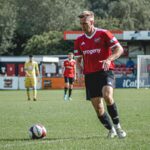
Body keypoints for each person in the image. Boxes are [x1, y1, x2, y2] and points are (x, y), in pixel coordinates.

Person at [74, 10, 126, 138]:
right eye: (81, 23)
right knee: (98, 108)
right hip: (90, 75)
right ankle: (111, 130)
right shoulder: (79, 40)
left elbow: (119, 49)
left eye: (85, 23)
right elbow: (78, 58)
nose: (83, 26)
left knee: (107, 96)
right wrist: (79, 68)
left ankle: (118, 128)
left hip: (105, 71)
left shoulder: (103, 33)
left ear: (92, 21)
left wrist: (109, 59)